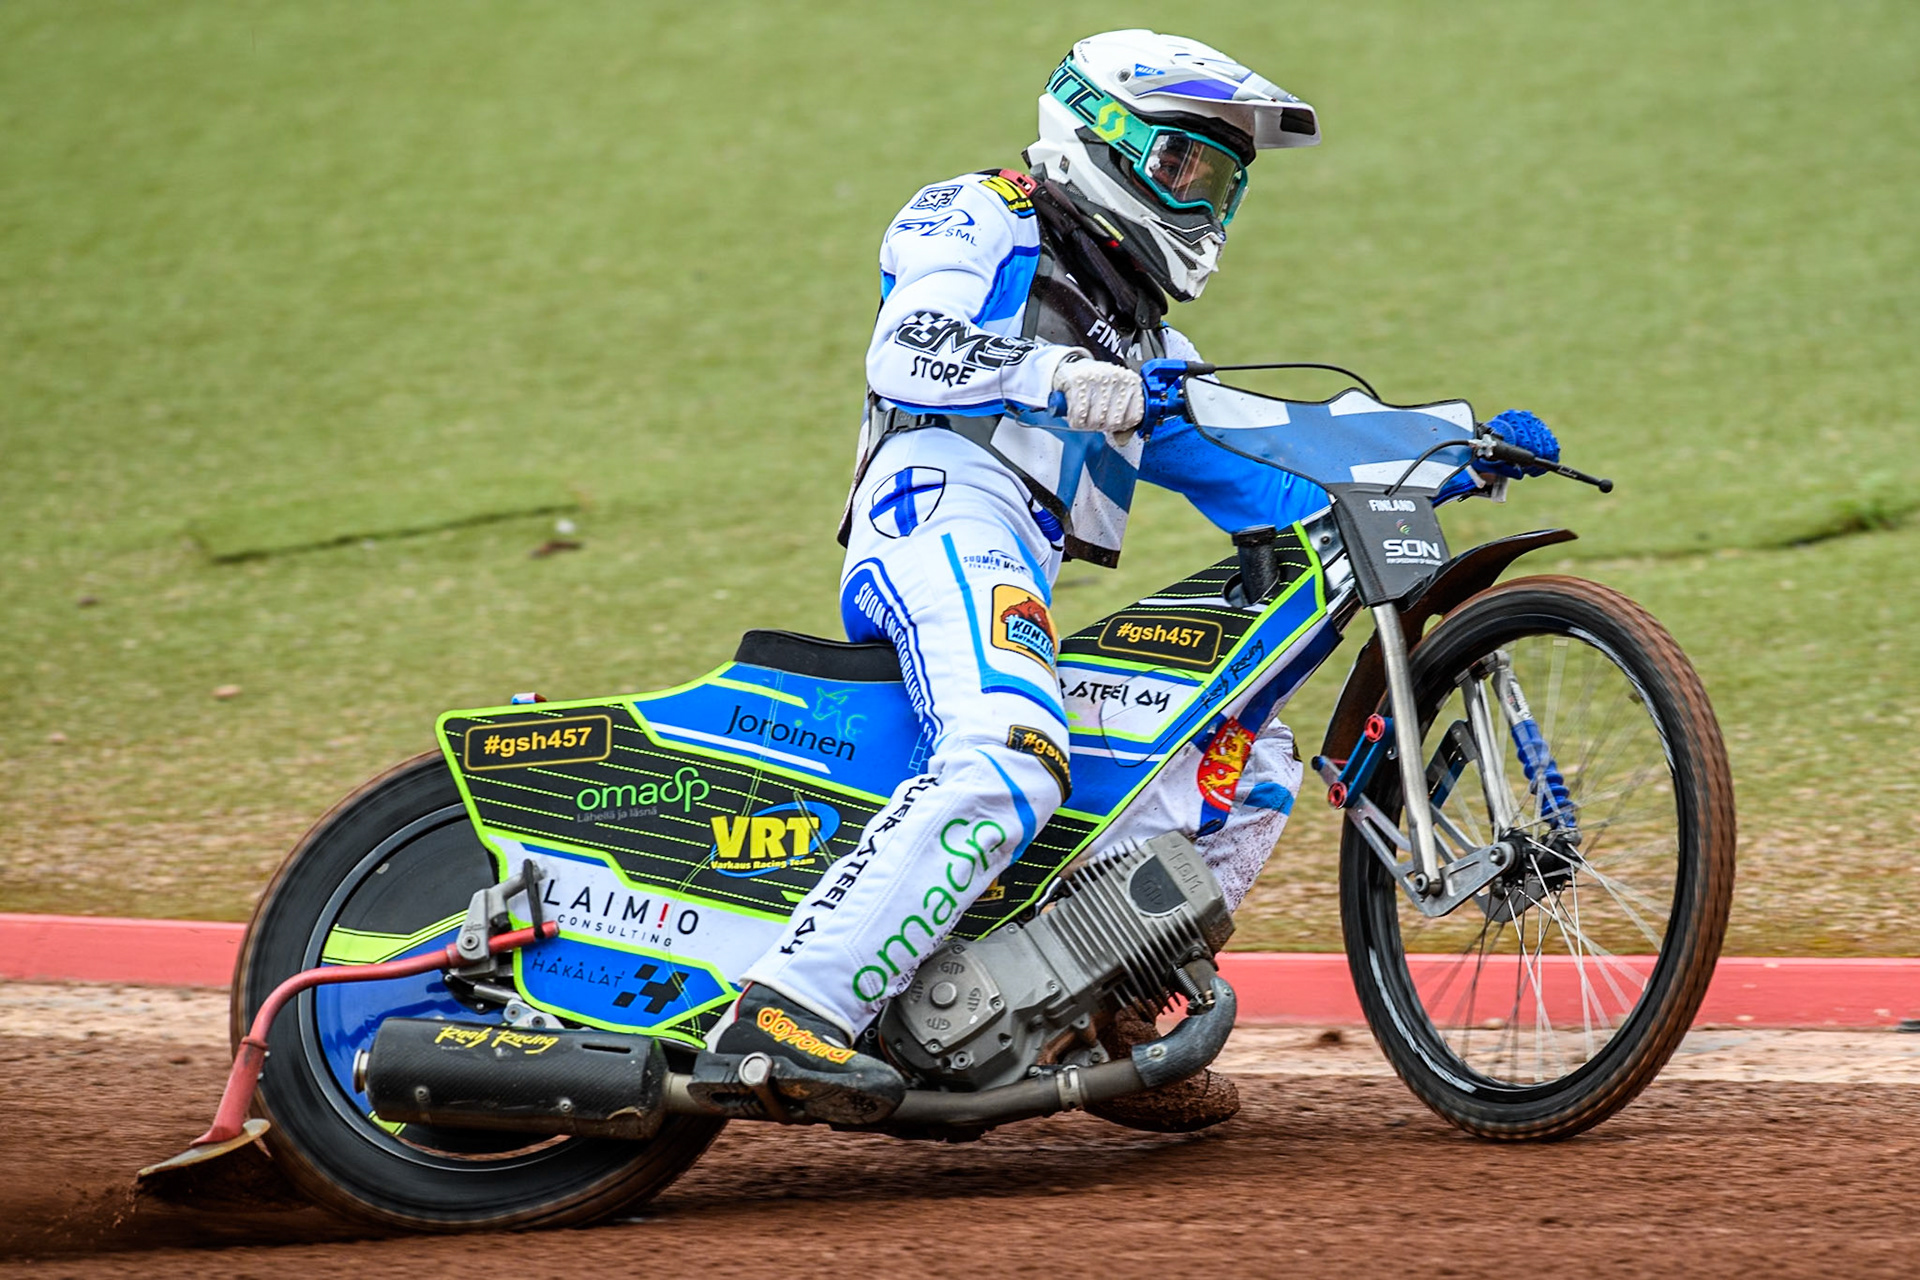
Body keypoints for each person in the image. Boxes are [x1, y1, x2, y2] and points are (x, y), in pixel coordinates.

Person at [712, 30, 1558, 1130]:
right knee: (1010, 748)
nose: (1202, 203)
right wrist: (1049, 373)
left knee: (1248, 759)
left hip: (1012, 554)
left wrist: (1450, 453)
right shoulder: (979, 209)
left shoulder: (1144, 339)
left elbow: (1273, 459)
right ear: (1098, 133)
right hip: (936, 514)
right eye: (1181, 168)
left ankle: (1099, 1010)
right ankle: (782, 1008)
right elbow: (907, 349)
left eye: (1220, 182)